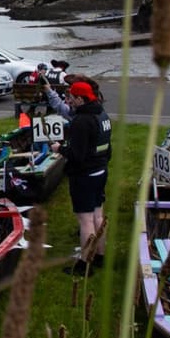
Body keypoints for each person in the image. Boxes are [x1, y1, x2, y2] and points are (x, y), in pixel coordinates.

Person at [64, 79, 113, 270]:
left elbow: (77, 155)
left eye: (72, 98)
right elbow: (108, 147)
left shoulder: (81, 121)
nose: (69, 101)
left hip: (84, 175)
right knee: (98, 216)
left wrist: (60, 148)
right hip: (100, 170)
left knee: (85, 220)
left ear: (80, 98)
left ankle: (84, 263)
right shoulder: (102, 115)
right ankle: (100, 256)